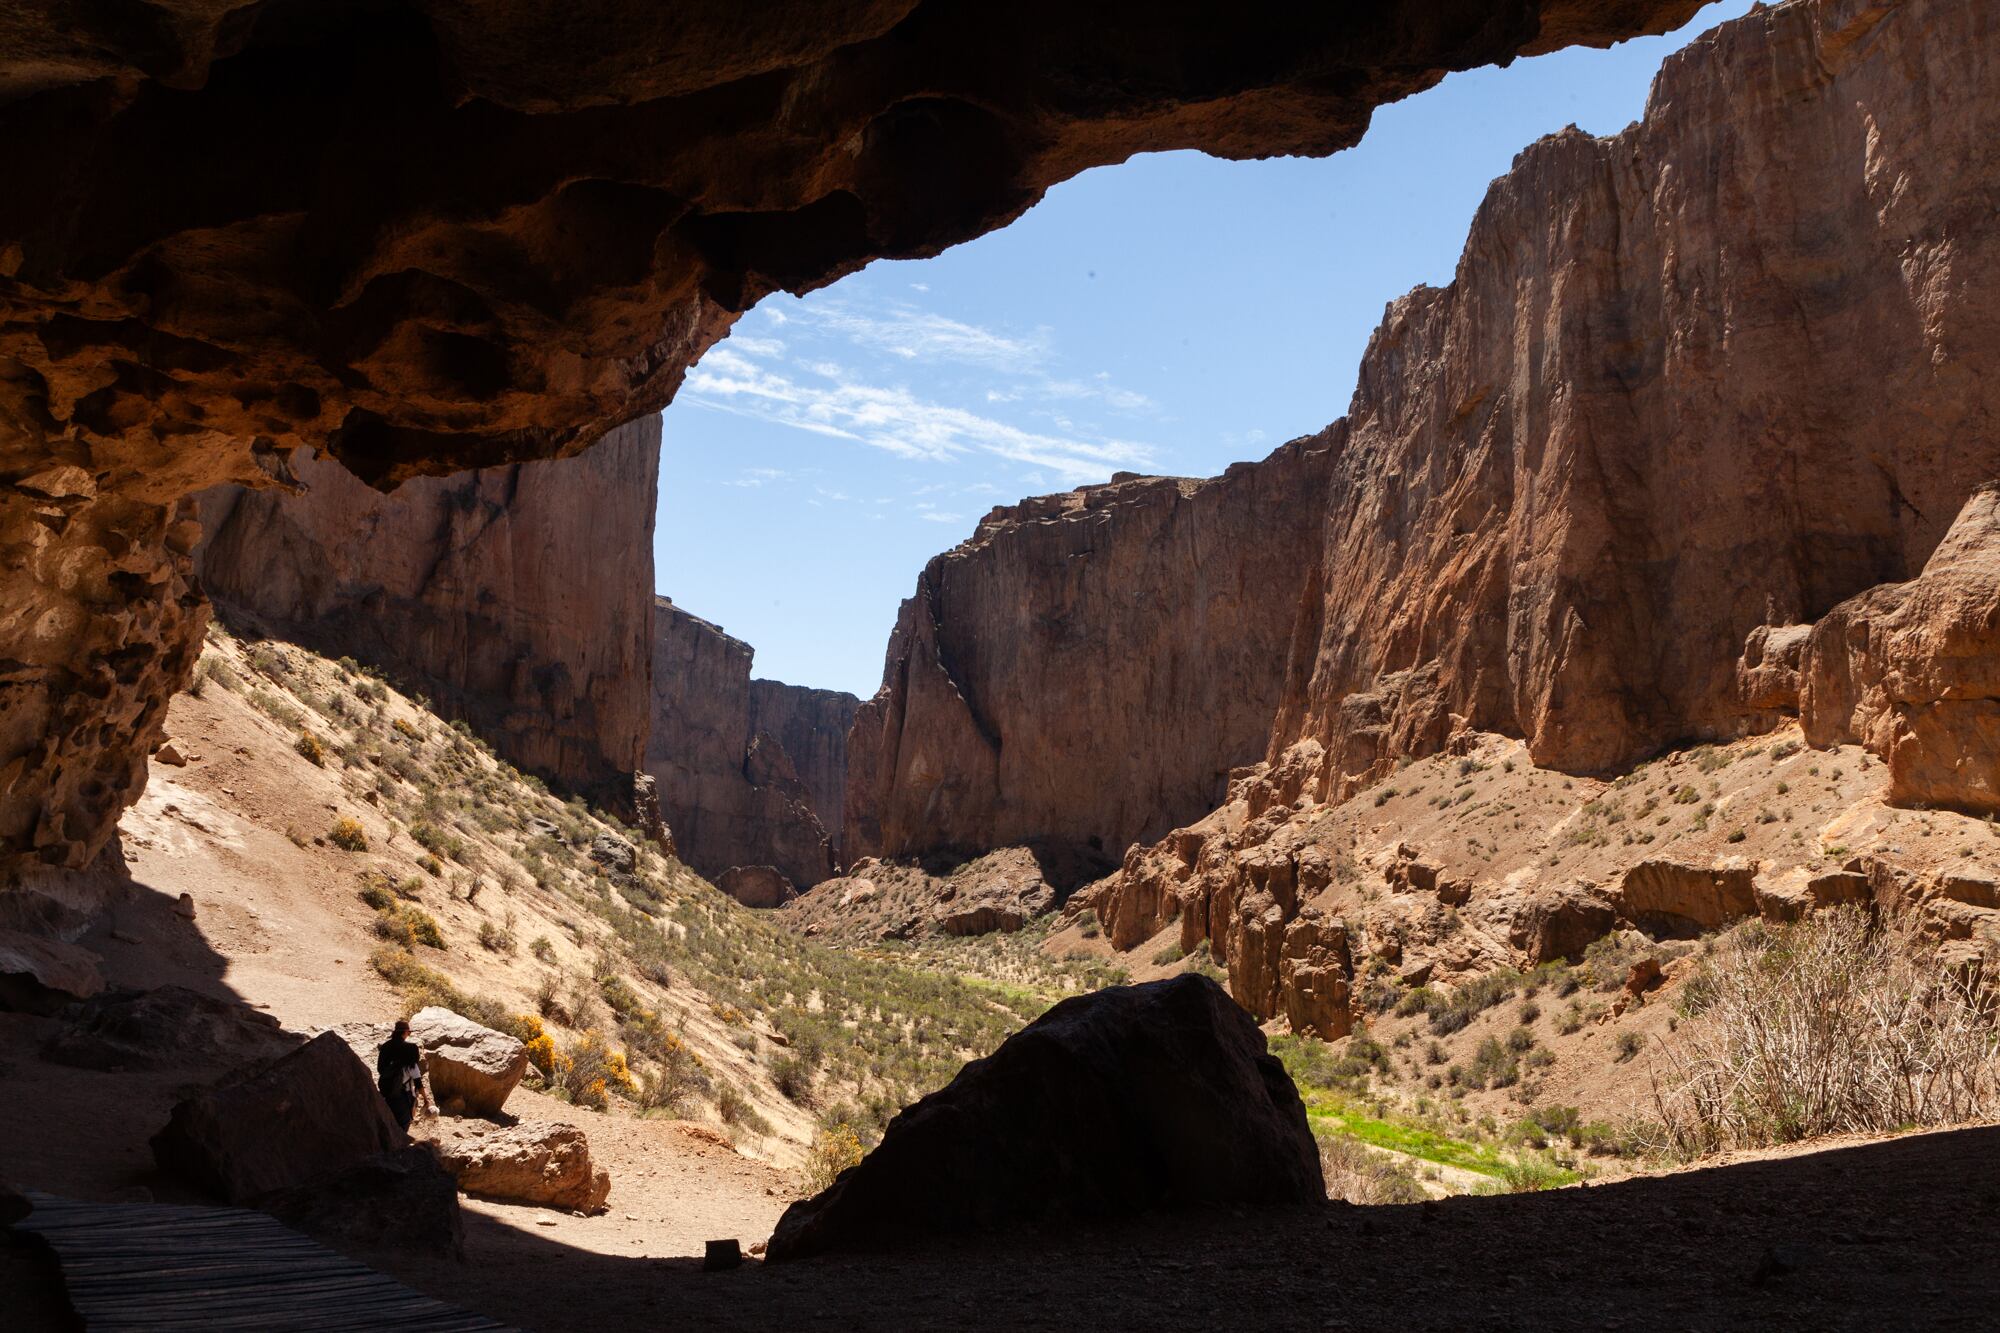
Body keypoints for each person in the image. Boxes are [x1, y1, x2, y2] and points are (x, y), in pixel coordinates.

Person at [376, 1020, 425, 1130]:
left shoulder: (385, 1047)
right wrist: (426, 1100)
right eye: (409, 1032)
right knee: (403, 1125)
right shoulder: (411, 1050)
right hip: (402, 1095)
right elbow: (418, 1082)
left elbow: (380, 1069)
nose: (409, 1035)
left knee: (389, 1124)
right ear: (405, 1032)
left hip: (386, 1092)